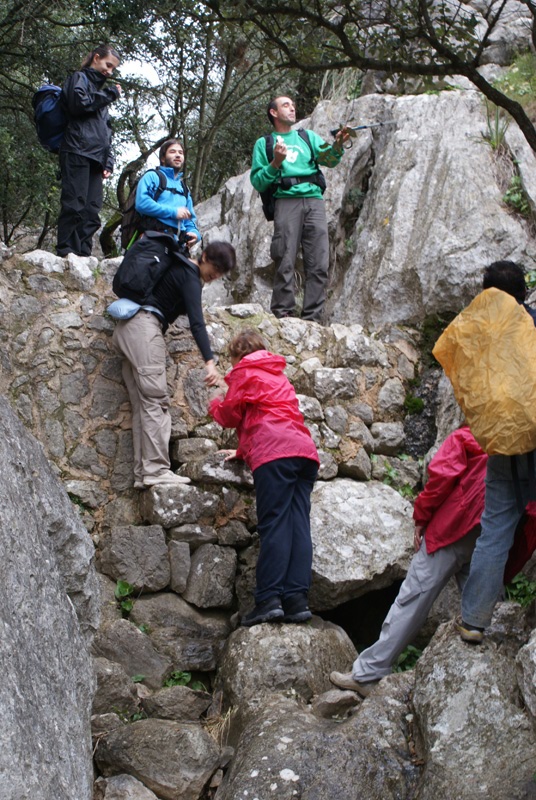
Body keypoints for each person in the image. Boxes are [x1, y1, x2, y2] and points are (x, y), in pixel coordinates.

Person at [329, 425, 536, 697]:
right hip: (496, 535)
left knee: (412, 600)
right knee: (488, 603)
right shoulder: (527, 444)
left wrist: (422, 515)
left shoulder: (481, 431)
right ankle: (500, 670)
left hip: (454, 522)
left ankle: (368, 673)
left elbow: (444, 472)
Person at [209, 328, 320, 626]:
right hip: (304, 452)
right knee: (298, 525)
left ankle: (269, 599)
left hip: (276, 456)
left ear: (237, 355)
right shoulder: (278, 375)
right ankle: (296, 600)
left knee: (275, 526)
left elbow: (231, 416)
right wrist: (244, 451)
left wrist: (216, 399)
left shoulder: (244, 371)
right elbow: (263, 416)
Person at [111, 240, 236, 489]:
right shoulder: (190, 275)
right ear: (204, 256)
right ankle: (156, 469)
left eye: (221, 272)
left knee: (142, 404)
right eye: (215, 266)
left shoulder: (178, 266)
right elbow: (197, 323)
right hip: (145, 329)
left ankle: (143, 473)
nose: (215, 274)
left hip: (127, 328)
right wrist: (210, 362)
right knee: (156, 401)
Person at [458, 261, 536, 642]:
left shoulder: (480, 335)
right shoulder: (531, 323)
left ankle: (473, 620)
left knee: (495, 530)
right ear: (523, 293)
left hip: (505, 443)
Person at [250, 96, 350, 322]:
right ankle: (283, 312)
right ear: (273, 113)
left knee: (319, 260)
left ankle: (312, 317)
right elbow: (258, 182)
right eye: (286, 105)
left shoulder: (307, 136)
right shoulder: (264, 143)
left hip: (314, 200)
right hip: (286, 201)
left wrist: (338, 144)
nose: (292, 108)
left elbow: (330, 159)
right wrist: (276, 162)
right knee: (284, 256)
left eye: (293, 104)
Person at [57, 45, 121, 257]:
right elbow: (78, 105)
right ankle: (66, 251)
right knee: (74, 204)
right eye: (108, 65)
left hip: (97, 158)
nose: (109, 71)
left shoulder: (101, 94)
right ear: (96, 58)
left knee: (92, 210)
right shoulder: (79, 78)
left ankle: (83, 254)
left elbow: (106, 131)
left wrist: (108, 160)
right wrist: (110, 94)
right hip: (76, 150)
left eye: (113, 69)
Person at [134, 138, 200, 252]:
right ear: (163, 158)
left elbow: (189, 218)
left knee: (191, 270)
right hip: (153, 240)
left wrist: (195, 233)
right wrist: (174, 212)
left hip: (178, 246)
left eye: (181, 153)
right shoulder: (152, 177)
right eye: (172, 152)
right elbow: (142, 203)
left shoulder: (184, 189)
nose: (178, 155)